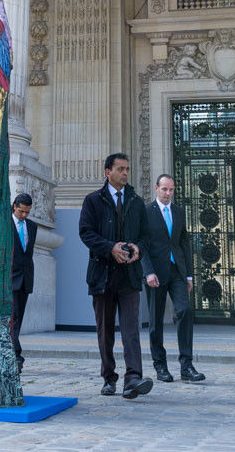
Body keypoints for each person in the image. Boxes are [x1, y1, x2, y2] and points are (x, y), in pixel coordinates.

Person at [79, 152, 153, 399]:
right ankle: (108, 378)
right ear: (107, 172)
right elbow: (86, 233)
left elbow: (146, 236)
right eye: (120, 169)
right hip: (102, 275)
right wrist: (110, 248)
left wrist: (137, 248)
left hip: (130, 275)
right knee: (105, 330)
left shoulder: (136, 201)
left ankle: (133, 378)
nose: (125, 173)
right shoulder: (92, 201)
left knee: (131, 329)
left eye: (127, 169)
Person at [144, 174, 204, 382]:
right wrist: (148, 272)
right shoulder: (147, 212)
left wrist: (189, 275)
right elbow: (142, 245)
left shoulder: (178, 212)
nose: (168, 193)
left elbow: (183, 243)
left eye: (171, 190)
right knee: (156, 320)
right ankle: (160, 366)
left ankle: (186, 366)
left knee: (185, 310)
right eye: (164, 189)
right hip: (156, 273)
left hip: (177, 271)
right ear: (156, 189)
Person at [10, 193, 37, 372]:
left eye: (27, 212)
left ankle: (14, 354)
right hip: (10, 278)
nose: (24, 215)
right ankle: (16, 355)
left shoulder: (32, 226)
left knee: (19, 319)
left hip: (26, 279)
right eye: (21, 211)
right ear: (14, 206)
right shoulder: (5, 223)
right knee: (12, 318)